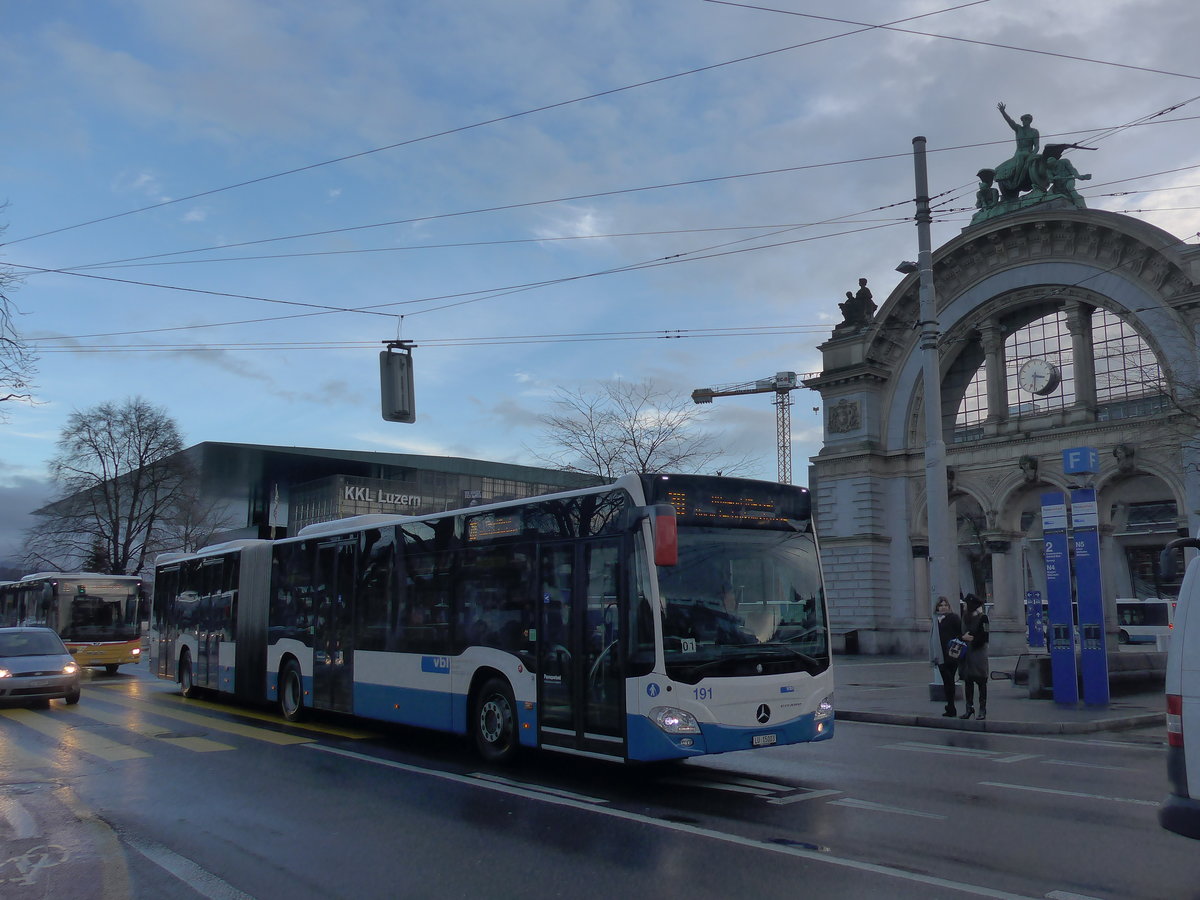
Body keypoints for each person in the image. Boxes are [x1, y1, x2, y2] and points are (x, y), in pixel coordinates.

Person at [929, 596, 962, 717]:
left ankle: (951, 707)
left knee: (949, 681)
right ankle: (950, 706)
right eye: (940, 605)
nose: (943, 607)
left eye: (945, 605)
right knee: (946, 682)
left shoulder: (953, 618)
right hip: (940, 655)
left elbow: (960, 633)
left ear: (948, 606)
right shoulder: (935, 619)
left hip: (951, 655)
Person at [959, 594, 990, 720]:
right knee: (968, 681)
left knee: (981, 681)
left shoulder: (984, 618)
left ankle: (982, 709)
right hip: (967, 654)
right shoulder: (964, 617)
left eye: (966, 604)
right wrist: (962, 638)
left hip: (978, 654)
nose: (965, 606)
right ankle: (969, 708)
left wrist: (972, 639)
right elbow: (961, 633)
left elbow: (985, 636)